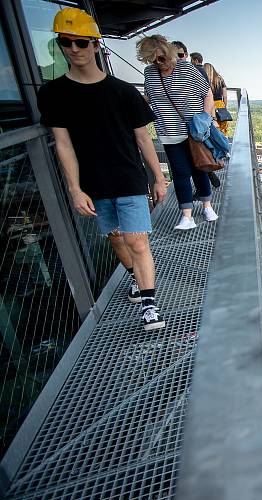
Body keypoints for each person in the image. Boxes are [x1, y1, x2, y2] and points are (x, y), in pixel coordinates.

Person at [39, 7, 167, 331]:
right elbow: (63, 145)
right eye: (66, 42)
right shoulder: (53, 94)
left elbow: (143, 138)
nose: (74, 49)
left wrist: (159, 177)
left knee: (137, 241)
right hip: (94, 185)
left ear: (96, 45)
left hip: (128, 178)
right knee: (115, 239)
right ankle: (136, 280)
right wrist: (75, 189)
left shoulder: (123, 92)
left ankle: (149, 305)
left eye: (81, 42)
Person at [138, 35, 218, 230]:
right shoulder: (150, 73)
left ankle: (207, 206)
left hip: (193, 131)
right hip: (168, 132)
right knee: (181, 173)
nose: (161, 63)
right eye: (155, 59)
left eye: (163, 57)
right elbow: (150, 97)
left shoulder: (188, 69)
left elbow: (207, 93)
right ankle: (187, 216)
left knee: (200, 168)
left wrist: (206, 118)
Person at [203, 62, 229, 135]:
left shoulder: (204, 80)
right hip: (220, 104)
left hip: (209, 105)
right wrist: (224, 107)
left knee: (211, 128)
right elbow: (225, 96)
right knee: (222, 128)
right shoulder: (220, 80)